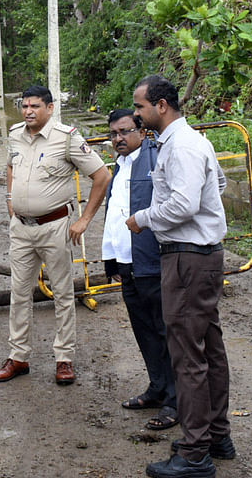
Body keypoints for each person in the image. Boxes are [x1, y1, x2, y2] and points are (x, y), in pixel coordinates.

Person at [128, 75, 235, 478]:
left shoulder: (183, 145)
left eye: (139, 107)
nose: (136, 115)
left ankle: (194, 454)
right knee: (208, 348)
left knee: (188, 356)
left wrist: (143, 219)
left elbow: (185, 204)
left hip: (188, 258)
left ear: (160, 106)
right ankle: (215, 436)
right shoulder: (185, 143)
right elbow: (217, 183)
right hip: (197, 256)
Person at [0, 86, 110, 386]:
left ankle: (64, 359)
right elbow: (10, 167)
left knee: (62, 293)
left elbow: (101, 176)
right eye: (24, 106)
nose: (28, 111)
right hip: (20, 229)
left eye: (35, 106)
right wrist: (10, 201)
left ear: (50, 108)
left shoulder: (67, 138)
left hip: (54, 227)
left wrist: (84, 219)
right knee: (19, 294)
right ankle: (18, 357)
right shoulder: (16, 134)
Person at [102, 109, 177, 431]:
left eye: (124, 131)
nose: (119, 139)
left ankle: (177, 401)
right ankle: (157, 388)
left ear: (142, 131)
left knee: (165, 332)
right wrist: (111, 260)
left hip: (152, 263)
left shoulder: (156, 159)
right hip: (127, 263)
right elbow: (113, 217)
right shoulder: (118, 168)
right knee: (143, 330)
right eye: (113, 134)